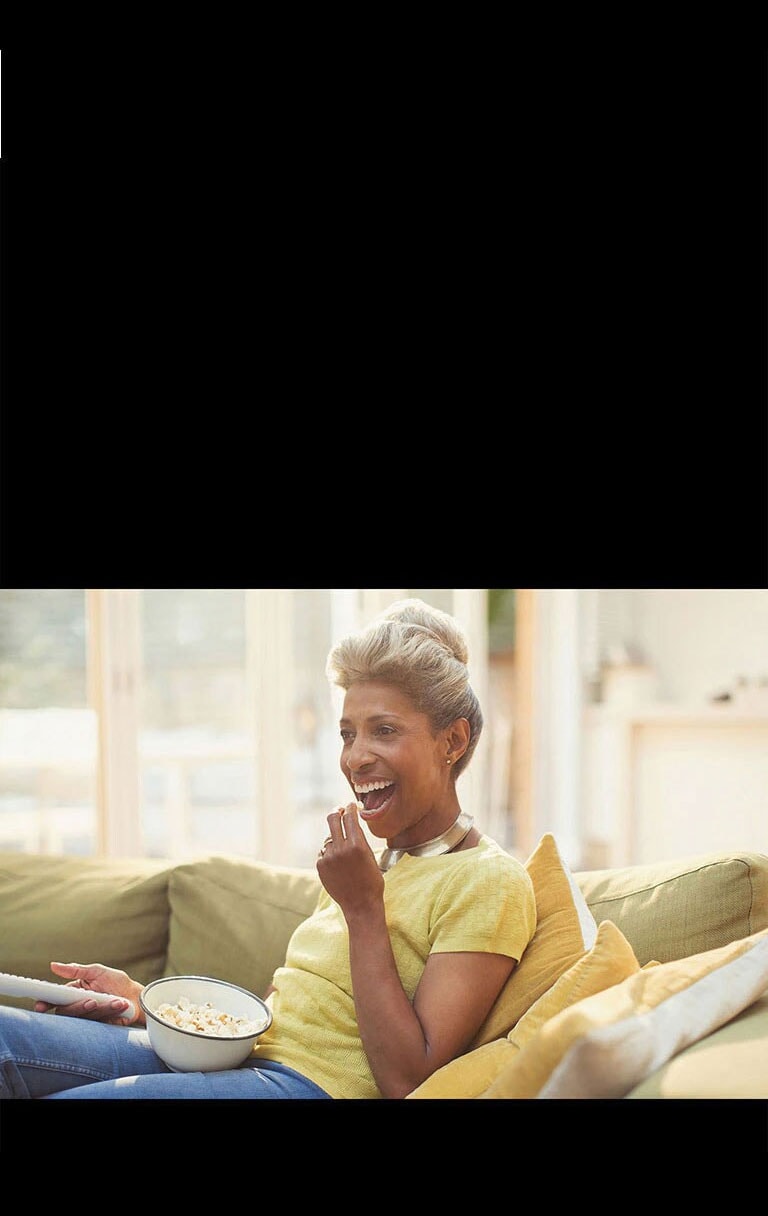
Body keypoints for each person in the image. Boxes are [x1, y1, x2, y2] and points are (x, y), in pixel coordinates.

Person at [0, 598, 536, 1100]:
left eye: (385, 731)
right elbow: (289, 1019)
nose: (356, 758)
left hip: (307, 1087)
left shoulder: (488, 881)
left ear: (454, 741)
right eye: (348, 734)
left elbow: (407, 1078)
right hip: (243, 1065)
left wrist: (363, 907)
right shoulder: (372, 866)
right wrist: (150, 1007)